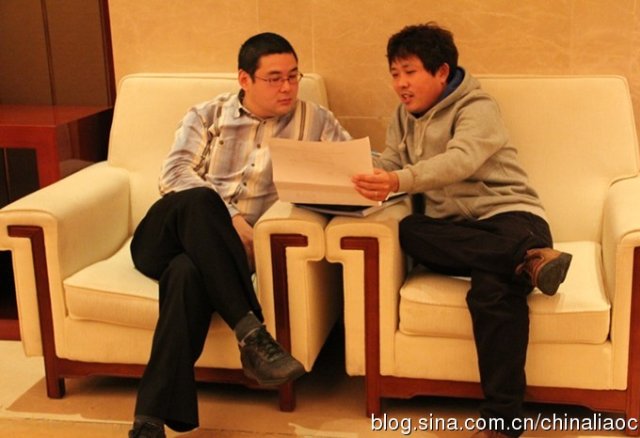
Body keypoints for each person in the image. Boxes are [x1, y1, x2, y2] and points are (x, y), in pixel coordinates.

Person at [352, 23, 572, 438]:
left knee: (492, 291)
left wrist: (399, 180)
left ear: (441, 71)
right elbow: (393, 161)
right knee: (411, 230)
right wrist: (359, 172)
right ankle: (528, 261)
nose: (400, 84)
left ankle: (502, 424)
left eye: (410, 72)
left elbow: (461, 160)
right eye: (395, 73)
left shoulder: (478, 106)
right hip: (459, 234)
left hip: (512, 219)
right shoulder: (402, 115)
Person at [128, 32, 351, 438]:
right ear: (244, 79)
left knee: (186, 275)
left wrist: (390, 171)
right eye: (274, 78)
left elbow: (349, 169)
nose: (287, 87)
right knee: (200, 200)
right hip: (164, 237)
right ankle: (252, 333)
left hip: (220, 258)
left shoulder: (315, 121)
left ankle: (148, 420)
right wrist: (229, 218)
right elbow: (174, 174)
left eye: (294, 76)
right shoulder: (207, 115)